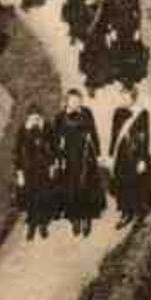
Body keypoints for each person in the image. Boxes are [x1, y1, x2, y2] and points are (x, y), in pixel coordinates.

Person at [53, 90, 105, 237]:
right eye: (72, 100)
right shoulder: (60, 117)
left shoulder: (87, 113)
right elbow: (55, 141)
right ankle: (75, 219)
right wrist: (58, 157)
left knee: (87, 187)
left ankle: (87, 218)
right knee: (72, 189)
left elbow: (94, 132)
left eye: (78, 100)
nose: (75, 103)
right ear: (67, 101)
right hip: (69, 158)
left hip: (86, 156)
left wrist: (99, 153)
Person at [109, 87, 151, 228]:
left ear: (133, 98)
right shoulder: (117, 112)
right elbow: (114, 135)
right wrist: (111, 155)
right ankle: (125, 213)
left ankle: (139, 214)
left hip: (135, 156)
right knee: (121, 184)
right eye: (121, 97)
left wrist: (142, 159)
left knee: (136, 185)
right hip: (121, 155)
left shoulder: (142, 114)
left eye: (125, 98)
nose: (122, 100)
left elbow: (145, 137)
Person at [16, 106, 55, 241]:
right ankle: (32, 226)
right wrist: (20, 172)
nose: (34, 120)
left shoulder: (46, 126)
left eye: (37, 117)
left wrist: (52, 165)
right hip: (29, 169)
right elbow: (17, 152)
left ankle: (43, 225)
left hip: (43, 168)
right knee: (31, 196)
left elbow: (53, 146)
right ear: (28, 118)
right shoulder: (23, 129)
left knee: (44, 194)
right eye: (32, 118)